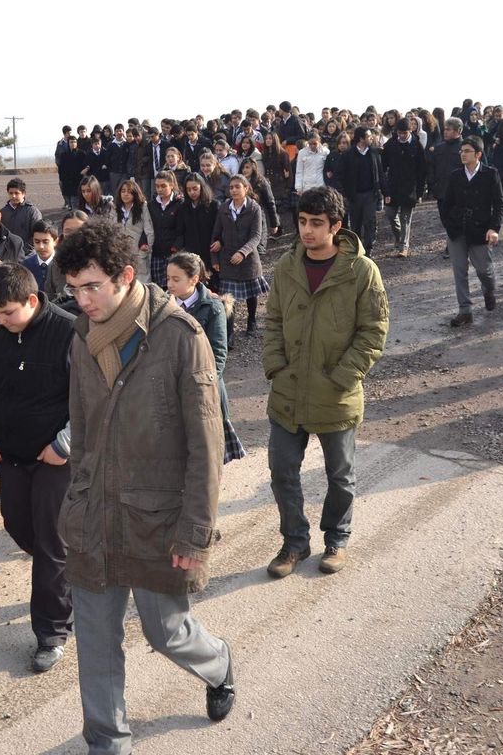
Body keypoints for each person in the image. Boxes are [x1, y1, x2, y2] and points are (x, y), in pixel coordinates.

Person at [54, 220, 235, 753]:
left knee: (167, 633)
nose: (82, 300)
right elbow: (81, 425)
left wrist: (195, 534)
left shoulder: (180, 338)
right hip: (94, 516)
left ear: (126, 277)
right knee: (95, 641)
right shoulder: (83, 336)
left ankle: (219, 663)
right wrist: (78, 494)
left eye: (92, 287)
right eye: (73, 288)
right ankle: (108, 742)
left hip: (157, 519)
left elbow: (207, 446)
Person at [262, 186, 388, 579]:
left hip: (336, 394)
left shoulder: (361, 271)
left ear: (336, 226)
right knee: (283, 471)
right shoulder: (286, 267)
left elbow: (373, 330)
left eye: (317, 224)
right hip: (288, 391)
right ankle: (294, 542)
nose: (307, 231)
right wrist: (276, 368)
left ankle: (337, 538)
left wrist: (343, 377)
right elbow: (273, 323)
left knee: (340, 475)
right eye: (302, 222)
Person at [0, 264, 75, 673]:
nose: (0, 320)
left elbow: (92, 398)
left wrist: (64, 444)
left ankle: (51, 633)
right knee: (16, 523)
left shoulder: (68, 332)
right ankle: (72, 573)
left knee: (51, 545)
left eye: (8, 313)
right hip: (9, 455)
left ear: (32, 301)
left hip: (55, 458)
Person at [165, 251, 245, 462]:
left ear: (194, 279)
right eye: (168, 278)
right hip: (172, 388)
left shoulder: (213, 307)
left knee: (207, 456)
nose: (169, 284)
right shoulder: (164, 307)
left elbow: (219, 352)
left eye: (176, 279)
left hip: (204, 388)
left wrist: (202, 384)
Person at [442, 136, 503, 326]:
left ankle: (489, 289)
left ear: (478, 154)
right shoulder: (455, 175)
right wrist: (448, 224)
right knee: (459, 270)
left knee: (483, 270)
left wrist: (494, 228)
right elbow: (446, 204)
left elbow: (499, 203)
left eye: (467, 151)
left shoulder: (490, 174)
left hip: (480, 230)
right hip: (457, 230)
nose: (462, 154)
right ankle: (465, 310)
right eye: (461, 151)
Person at [211, 174, 268, 336]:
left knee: (251, 293)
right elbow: (216, 235)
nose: (234, 190)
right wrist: (215, 258)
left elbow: (256, 236)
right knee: (228, 298)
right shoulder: (224, 208)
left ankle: (252, 321)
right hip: (227, 258)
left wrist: (242, 253)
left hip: (248, 259)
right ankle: (228, 333)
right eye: (231, 187)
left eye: (237, 187)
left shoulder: (254, 208)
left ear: (246, 188)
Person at [381, 118, 427, 257]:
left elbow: (422, 171)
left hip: (409, 188)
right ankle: (398, 235)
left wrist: (419, 192)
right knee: (390, 214)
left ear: (410, 131)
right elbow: (383, 165)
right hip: (393, 186)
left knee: (406, 218)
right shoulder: (391, 144)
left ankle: (404, 246)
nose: (401, 135)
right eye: (399, 132)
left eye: (404, 132)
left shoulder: (416, 145)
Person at [339, 127, 384, 254]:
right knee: (356, 224)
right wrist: (344, 192)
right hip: (355, 196)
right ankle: (357, 249)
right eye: (368, 136)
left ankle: (368, 249)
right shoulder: (348, 154)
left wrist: (385, 192)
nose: (371, 138)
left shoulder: (374, 153)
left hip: (370, 194)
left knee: (369, 221)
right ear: (361, 139)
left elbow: (380, 173)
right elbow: (341, 174)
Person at [148, 171, 184, 290]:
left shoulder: (179, 204)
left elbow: (181, 229)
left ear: (171, 185)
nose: (160, 189)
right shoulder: (152, 205)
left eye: (163, 186)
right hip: (156, 252)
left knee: (173, 287)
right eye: (157, 186)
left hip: (172, 253)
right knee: (158, 288)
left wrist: (176, 247)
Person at [1, 177, 44, 248]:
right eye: (11, 193)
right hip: (7, 253)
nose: (13, 196)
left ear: (24, 193)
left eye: (16, 193)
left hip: (27, 254)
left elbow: (37, 234)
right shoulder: (2, 212)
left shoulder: (32, 211)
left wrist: (23, 251)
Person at [23, 220, 60, 291]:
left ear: (55, 242)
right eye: (37, 242)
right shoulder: (26, 266)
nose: (41, 246)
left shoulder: (63, 264)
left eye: (45, 242)